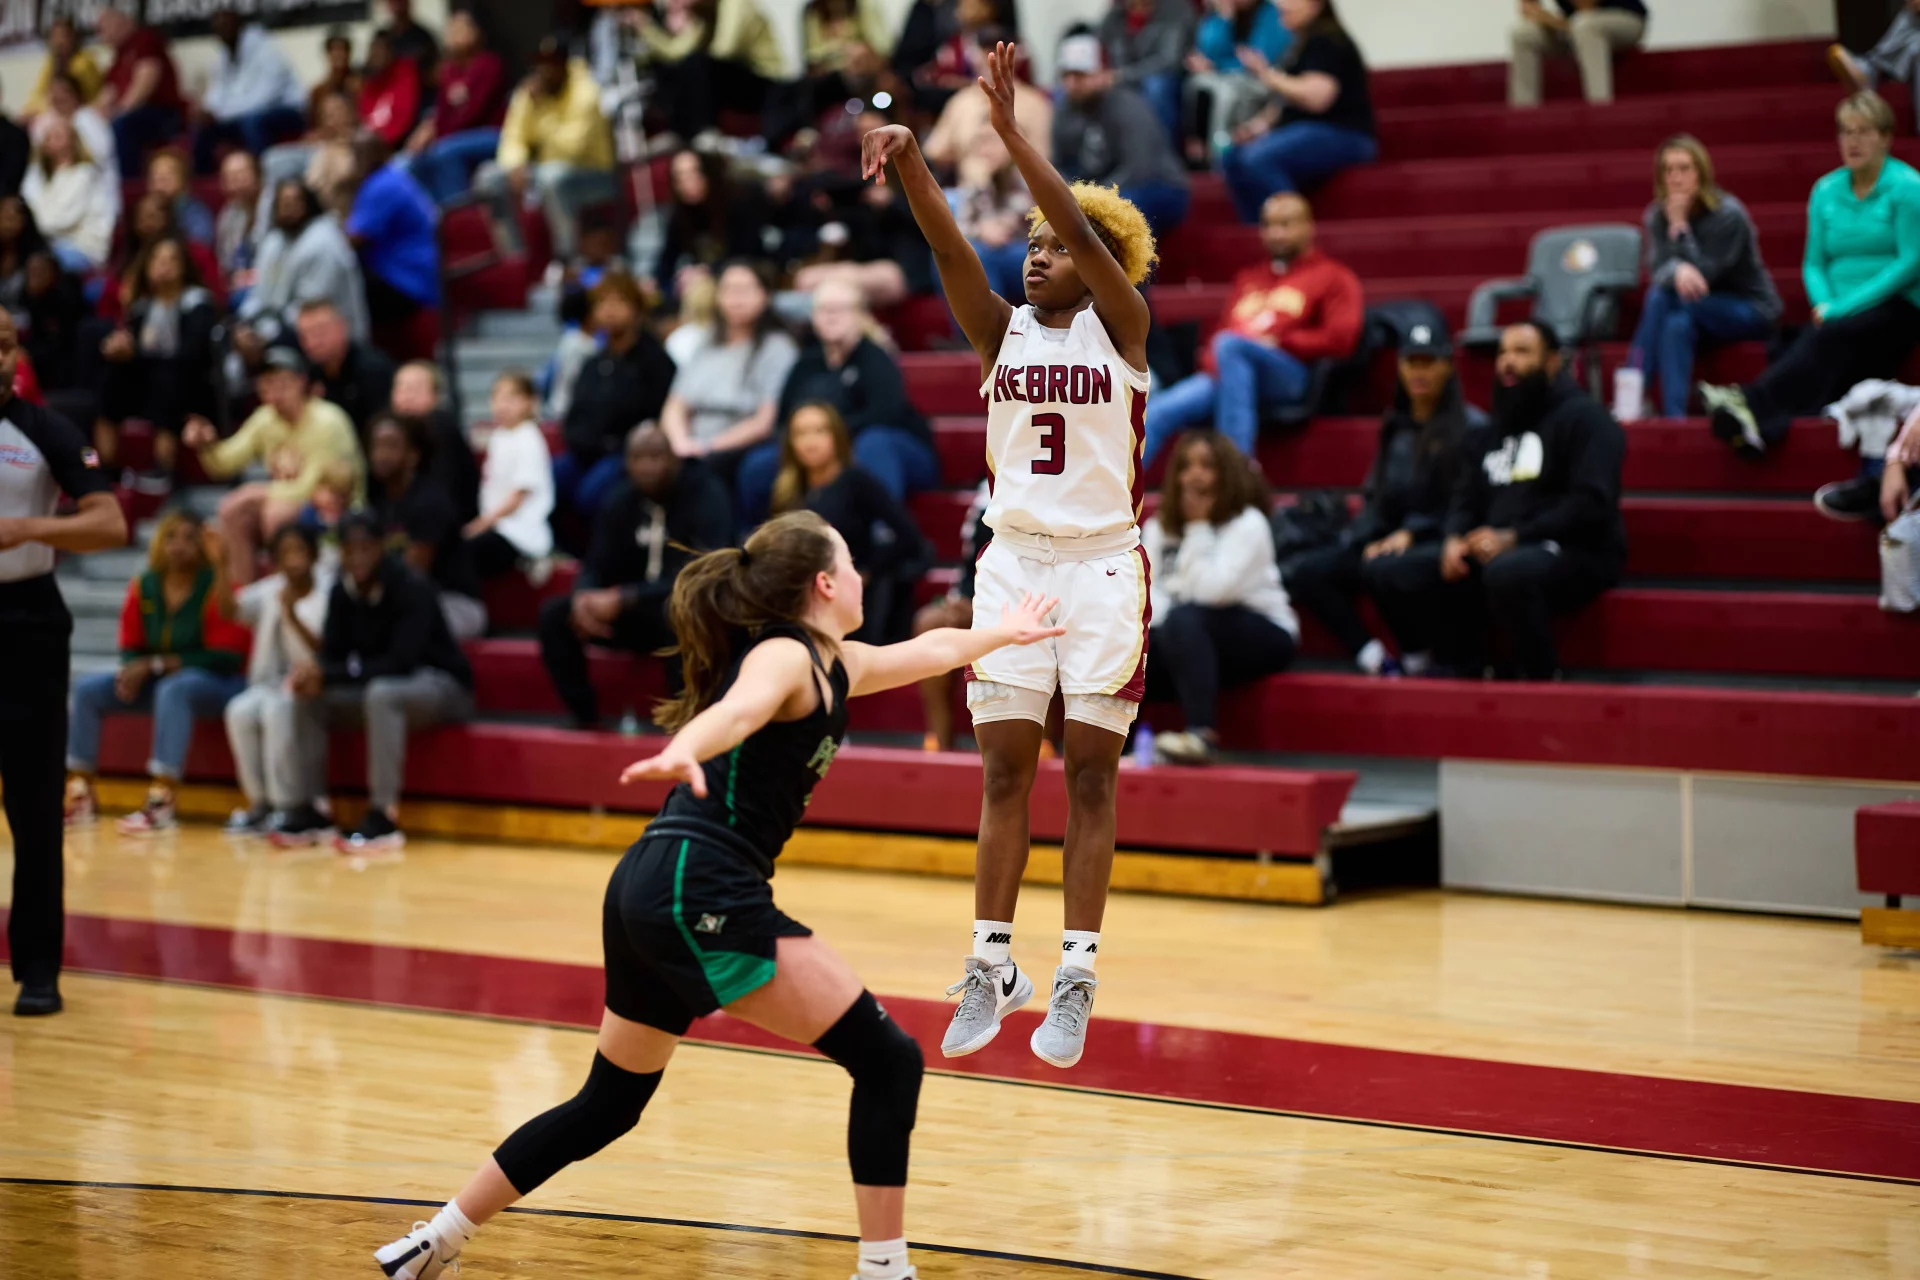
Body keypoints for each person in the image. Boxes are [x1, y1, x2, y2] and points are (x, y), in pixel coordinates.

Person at [371, 508, 1064, 1280]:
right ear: (824, 583)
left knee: (610, 1103)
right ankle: (883, 1271)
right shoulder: (784, 654)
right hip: (698, 886)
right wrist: (685, 748)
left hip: (652, 884)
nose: (862, 575)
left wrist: (1004, 633)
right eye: (850, 561)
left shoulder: (837, 662)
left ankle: (434, 1241)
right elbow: (737, 711)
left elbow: (932, 650)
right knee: (889, 1061)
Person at [864, 41, 1158, 1069]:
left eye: (1056, 247)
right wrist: (914, 160)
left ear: (1101, 262)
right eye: (1029, 244)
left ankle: (1077, 972)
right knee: (1002, 770)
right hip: (1016, 565)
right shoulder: (1002, 334)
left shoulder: (1124, 331)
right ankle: (991, 963)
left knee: (1090, 777)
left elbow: (1076, 218)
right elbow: (951, 248)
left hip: (1103, 568)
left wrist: (1010, 135)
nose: (1038, 255)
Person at [1368, 321, 1626, 680]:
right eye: (1503, 352)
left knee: (1508, 570)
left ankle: (1541, 677)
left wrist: (1516, 536)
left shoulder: (1587, 420)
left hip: (1575, 548)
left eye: (1522, 352)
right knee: (1396, 569)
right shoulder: (1493, 429)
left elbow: (1592, 504)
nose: (1507, 362)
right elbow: (1465, 496)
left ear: (1553, 362)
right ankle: (1464, 667)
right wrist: (1454, 537)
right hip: (1500, 546)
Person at [0, 311, 128, 1018]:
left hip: (27, 624)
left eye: (5, 344)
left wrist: (27, 528)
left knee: (34, 805)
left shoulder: (46, 430)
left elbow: (110, 522)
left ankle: (38, 970)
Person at [1701, 92, 1920, 457]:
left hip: (1898, 306)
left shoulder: (1908, 187)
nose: (1852, 141)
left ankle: (1750, 403)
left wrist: (1841, 308)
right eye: (1846, 131)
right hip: (1839, 311)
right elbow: (1814, 263)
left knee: (1828, 338)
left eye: (1863, 131)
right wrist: (1824, 303)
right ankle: (1762, 429)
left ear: (1885, 137)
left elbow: (1911, 262)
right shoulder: (1825, 190)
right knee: (1790, 343)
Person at [1283, 322, 1485, 675]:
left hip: (1438, 540)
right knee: (1309, 571)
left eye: (1428, 362)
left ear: (1448, 367)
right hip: (1391, 538)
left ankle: (1420, 659)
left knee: (1387, 569)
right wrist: (1362, 539)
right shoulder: (1395, 424)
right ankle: (1376, 659)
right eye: (1411, 362)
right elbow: (1377, 496)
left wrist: (1413, 533)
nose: (1418, 372)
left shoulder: (1471, 427)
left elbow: (1467, 502)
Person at [282, 512, 474, 852]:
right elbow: (333, 657)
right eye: (349, 550)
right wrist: (313, 673)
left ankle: (383, 816)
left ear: (381, 548)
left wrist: (332, 673)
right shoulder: (341, 592)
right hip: (379, 685)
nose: (357, 558)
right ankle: (314, 809)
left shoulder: (411, 586)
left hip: (441, 685)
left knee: (382, 694)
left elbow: (401, 662)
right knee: (310, 696)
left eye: (366, 548)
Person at [1142, 191, 1363, 465]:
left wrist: (1283, 342)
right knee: (1158, 411)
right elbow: (1219, 334)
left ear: (1308, 226)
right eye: (1268, 225)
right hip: (1228, 369)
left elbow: (1342, 339)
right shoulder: (1248, 279)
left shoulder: (1333, 276)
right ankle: (1117, 488)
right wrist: (1215, 360)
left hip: (1288, 373)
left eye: (1286, 224)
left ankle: (1237, 470)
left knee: (1231, 346)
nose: (1276, 233)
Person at [64, 511, 249, 836]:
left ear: (203, 546)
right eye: (171, 537)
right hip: (163, 685)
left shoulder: (215, 583)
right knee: (88, 688)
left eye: (190, 538)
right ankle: (81, 792)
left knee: (175, 688)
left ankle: (162, 798)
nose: (179, 545)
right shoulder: (145, 584)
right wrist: (133, 671)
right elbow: (131, 646)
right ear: (159, 542)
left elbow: (226, 657)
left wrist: (156, 665)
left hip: (218, 684)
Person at [540, 423, 732, 728]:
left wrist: (628, 597)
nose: (647, 467)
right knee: (554, 616)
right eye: (638, 458)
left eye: (656, 457)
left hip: (687, 613)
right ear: (626, 463)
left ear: (674, 458)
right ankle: (585, 717)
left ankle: (688, 722)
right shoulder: (619, 499)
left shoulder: (706, 493)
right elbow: (596, 562)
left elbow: (707, 574)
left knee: (678, 611)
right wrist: (583, 596)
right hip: (632, 613)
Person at [1141, 431, 1296, 765]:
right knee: (1128, 643)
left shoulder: (1248, 524)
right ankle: (1118, 751)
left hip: (1260, 631)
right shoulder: (1159, 527)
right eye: (1186, 466)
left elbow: (1212, 593)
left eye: (1206, 466)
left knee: (1185, 620)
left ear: (1225, 474)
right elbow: (1147, 593)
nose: (1194, 475)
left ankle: (1201, 735)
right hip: (1187, 635)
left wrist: (1198, 527)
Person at [738, 279, 936, 521]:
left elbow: (887, 414)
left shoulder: (877, 360)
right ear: (813, 317)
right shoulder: (805, 364)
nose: (831, 316)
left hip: (895, 452)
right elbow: (784, 419)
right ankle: (759, 535)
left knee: (874, 445)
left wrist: (829, 438)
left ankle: (881, 532)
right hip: (820, 450)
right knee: (760, 464)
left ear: (860, 315)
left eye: (840, 308)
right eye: (824, 309)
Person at [1624, 135, 1778, 419]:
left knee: (1661, 297)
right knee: (1675, 325)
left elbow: (1703, 278)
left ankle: (1631, 391)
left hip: (1746, 307)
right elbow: (1658, 270)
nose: (1675, 178)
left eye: (1684, 168)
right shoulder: (1656, 215)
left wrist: (1680, 227)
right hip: (1689, 309)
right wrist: (1677, 269)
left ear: (1701, 173)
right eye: (1668, 170)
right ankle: (1674, 418)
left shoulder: (1728, 215)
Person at [185, 344, 365, 584]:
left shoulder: (327, 421)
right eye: (266, 386)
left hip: (337, 509)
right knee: (232, 509)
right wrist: (206, 444)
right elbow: (225, 464)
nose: (274, 394)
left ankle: (284, 591)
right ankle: (244, 593)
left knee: (275, 512)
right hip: (292, 499)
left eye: (282, 384)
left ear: (301, 382)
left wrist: (259, 493)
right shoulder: (265, 418)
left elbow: (314, 486)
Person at [770, 402, 932, 642]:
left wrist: (866, 571)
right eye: (801, 433)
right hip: (802, 595)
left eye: (819, 431)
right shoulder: (787, 488)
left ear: (836, 436)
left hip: (850, 598)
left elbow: (908, 536)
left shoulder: (856, 482)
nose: (810, 442)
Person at [1221, 0, 1375, 223]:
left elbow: (1317, 99)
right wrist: (1256, 129)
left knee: (1261, 158)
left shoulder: (1327, 40)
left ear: (1315, 5)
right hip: (1304, 130)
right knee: (1233, 157)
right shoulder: (1298, 43)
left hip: (1343, 133)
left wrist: (1267, 75)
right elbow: (1284, 104)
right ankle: (1258, 232)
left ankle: (1292, 230)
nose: (1282, 5)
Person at [224, 523, 331, 836]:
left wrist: (292, 615)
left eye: (299, 550)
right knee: (239, 711)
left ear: (313, 554)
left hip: (314, 681)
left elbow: (328, 649)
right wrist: (219, 565)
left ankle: (289, 804)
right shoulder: (271, 588)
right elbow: (231, 610)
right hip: (270, 681)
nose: (294, 559)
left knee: (277, 711)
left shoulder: (328, 590)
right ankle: (260, 803)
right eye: (285, 553)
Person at [660, 260, 799, 492]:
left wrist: (707, 446)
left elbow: (764, 422)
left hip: (737, 447)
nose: (736, 298)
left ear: (765, 295)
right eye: (728, 289)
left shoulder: (778, 348)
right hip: (689, 445)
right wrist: (679, 441)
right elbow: (675, 404)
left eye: (745, 290)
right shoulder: (705, 342)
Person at [94, 237, 220, 483]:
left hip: (192, 385)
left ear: (184, 267)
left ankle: (163, 467)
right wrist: (118, 348)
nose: (164, 265)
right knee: (112, 376)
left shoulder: (197, 303)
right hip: (149, 382)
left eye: (172, 259)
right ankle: (103, 465)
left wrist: (137, 356)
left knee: (168, 380)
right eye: (158, 259)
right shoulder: (142, 307)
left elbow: (190, 357)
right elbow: (134, 350)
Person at [557, 272, 679, 524]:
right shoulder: (593, 362)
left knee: (591, 494)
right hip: (586, 450)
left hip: (628, 454)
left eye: (619, 302)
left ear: (636, 309)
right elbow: (575, 413)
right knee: (551, 481)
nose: (609, 310)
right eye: (602, 303)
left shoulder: (656, 361)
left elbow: (658, 416)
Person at [486, 38, 617, 261]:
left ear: (565, 64)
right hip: (543, 170)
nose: (545, 70)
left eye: (551, 64)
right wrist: (516, 164)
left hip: (594, 174)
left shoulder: (586, 90)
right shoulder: (530, 92)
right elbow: (513, 136)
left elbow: (573, 148)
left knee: (551, 178)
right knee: (489, 177)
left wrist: (541, 110)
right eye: (540, 64)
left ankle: (567, 257)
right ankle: (514, 256)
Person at [1053, 31, 1191, 236]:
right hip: (1103, 188)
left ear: (1105, 73)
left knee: (1122, 206)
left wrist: (1093, 200)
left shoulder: (1127, 105)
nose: (1072, 83)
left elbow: (1139, 169)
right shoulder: (1065, 110)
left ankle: (1131, 258)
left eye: (1081, 75)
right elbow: (1060, 164)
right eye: (1066, 75)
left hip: (1159, 186)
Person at [366, 413, 488, 641]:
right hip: (407, 602)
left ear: (413, 455)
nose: (381, 454)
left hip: (455, 604)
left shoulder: (430, 502)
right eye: (376, 446)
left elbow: (413, 576)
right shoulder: (379, 504)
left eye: (391, 446)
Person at [238, 179, 370, 350]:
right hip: (279, 326)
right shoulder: (274, 241)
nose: (288, 209)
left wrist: (265, 334)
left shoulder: (324, 243)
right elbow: (259, 295)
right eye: (283, 204)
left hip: (330, 339)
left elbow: (310, 309)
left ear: (308, 204)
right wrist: (245, 324)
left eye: (294, 202)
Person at [407, 11, 509, 204]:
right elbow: (442, 111)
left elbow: (473, 113)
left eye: (460, 28)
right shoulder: (449, 71)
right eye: (451, 28)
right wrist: (427, 132)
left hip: (490, 133)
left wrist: (437, 135)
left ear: (475, 32)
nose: (453, 33)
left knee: (446, 151)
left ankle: (459, 212)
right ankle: (434, 213)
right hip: (453, 137)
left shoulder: (489, 64)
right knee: (414, 161)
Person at [651, 149, 771, 306]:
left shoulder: (738, 203)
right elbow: (667, 257)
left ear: (708, 173)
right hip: (704, 282)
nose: (687, 182)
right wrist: (654, 280)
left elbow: (748, 253)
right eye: (679, 177)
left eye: (693, 173)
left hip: (746, 275)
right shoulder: (680, 214)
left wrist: (707, 271)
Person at [192, 8, 305, 174]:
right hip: (242, 115)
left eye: (225, 24)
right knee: (203, 128)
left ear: (239, 24)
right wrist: (208, 110)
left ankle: (263, 175)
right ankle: (203, 179)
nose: (221, 30)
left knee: (252, 122)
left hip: (287, 111)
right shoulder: (223, 56)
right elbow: (218, 92)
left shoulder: (266, 49)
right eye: (217, 27)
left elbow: (263, 98)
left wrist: (220, 114)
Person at [465, 372, 555, 580]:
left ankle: (531, 559)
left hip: (519, 532)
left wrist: (481, 524)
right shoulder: (499, 436)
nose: (502, 405)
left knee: (468, 552)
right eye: (497, 397)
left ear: (530, 402)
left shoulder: (529, 438)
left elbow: (519, 495)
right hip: (496, 525)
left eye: (511, 398)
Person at [345, 132, 442, 324]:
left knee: (339, 284)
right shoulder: (391, 176)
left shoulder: (382, 185)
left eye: (366, 153)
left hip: (408, 281)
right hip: (408, 273)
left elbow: (354, 240)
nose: (359, 160)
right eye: (357, 154)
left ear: (382, 153)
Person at [1184, 0, 1289, 164]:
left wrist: (1217, 66)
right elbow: (1208, 50)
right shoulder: (1222, 12)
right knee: (1197, 82)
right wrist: (1224, 19)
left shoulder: (1270, 14)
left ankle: (1218, 158)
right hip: (1229, 76)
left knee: (1226, 93)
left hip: (1264, 80)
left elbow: (1258, 60)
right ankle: (1197, 149)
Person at [94, 6, 186, 180]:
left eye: (105, 27)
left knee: (121, 124)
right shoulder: (118, 57)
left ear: (123, 23)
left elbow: (144, 84)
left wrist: (118, 111)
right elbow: (108, 93)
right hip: (138, 115)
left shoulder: (144, 41)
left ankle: (128, 180)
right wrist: (91, 117)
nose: (102, 34)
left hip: (164, 113)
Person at [1510, 0, 1647, 108]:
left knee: (1584, 25)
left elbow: (1587, 6)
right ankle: (1523, 114)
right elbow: (1529, 9)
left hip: (1625, 18)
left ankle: (1600, 107)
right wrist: (1547, 19)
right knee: (1522, 34)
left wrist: (1558, 22)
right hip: (1575, 24)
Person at [391, 358, 481, 523]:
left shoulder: (441, 428)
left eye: (414, 389)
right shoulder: (390, 429)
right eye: (400, 388)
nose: (406, 396)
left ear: (435, 396)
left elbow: (446, 493)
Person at [1095, 0, 1194, 147]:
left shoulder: (1176, 10)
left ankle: (1160, 151)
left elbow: (1168, 60)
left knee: (1156, 87)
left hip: (1164, 78)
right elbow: (1098, 49)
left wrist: (1122, 76)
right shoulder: (1114, 17)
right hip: (1122, 78)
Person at [21, 118, 114, 273]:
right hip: (53, 244)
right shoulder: (46, 178)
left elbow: (55, 221)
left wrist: (27, 227)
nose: (50, 141)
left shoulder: (84, 174)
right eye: (47, 137)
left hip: (83, 249)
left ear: (73, 141)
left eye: (58, 136)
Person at [297, 298, 395, 441]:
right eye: (305, 335)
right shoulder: (309, 374)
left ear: (342, 327)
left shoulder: (372, 369)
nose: (313, 342)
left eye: (320, 332)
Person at [22, 16, 103, 120]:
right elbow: (39, 92)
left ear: (73, 38)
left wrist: (37, 112)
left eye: (63, 36)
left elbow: (71, 100)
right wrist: (28, 110)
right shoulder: (52, 61)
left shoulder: (83, 63)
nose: (59, 41)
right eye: (54, 36)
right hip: (57, 114)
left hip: (85, 114)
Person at [360, 30, 424, 152]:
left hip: (399, 145)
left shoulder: (405, 72)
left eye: (381, 50)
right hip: (372, 144)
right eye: (373, 50)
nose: (376, 55)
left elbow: (404, 117)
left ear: (390, 52)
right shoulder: (371, 80)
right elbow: (366, 117)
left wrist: (381, 141)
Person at [145, 147, 216, 248]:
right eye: (154, 179)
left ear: (183, 182)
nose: (158, 186)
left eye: (165, 179)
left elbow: (200, 248)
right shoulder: (144, 213)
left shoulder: (196, 214)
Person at [214, 149, 262, 294]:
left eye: (241, 174)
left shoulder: (274, 207)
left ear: (258, 176)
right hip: (240, 287)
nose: (235, 181)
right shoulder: (228, 215)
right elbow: (226, 264)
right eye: (229, 177)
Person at [379, 0, 442, 85]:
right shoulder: (382, 38)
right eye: (392, 2)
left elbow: (436, 72)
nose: (397, 6)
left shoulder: (424, 37)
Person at [308, 29, 362, 123]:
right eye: (334, 50)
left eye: (343, 50)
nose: (339, 55)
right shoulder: (318, 92)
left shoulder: (360, 87)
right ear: (327, 54)